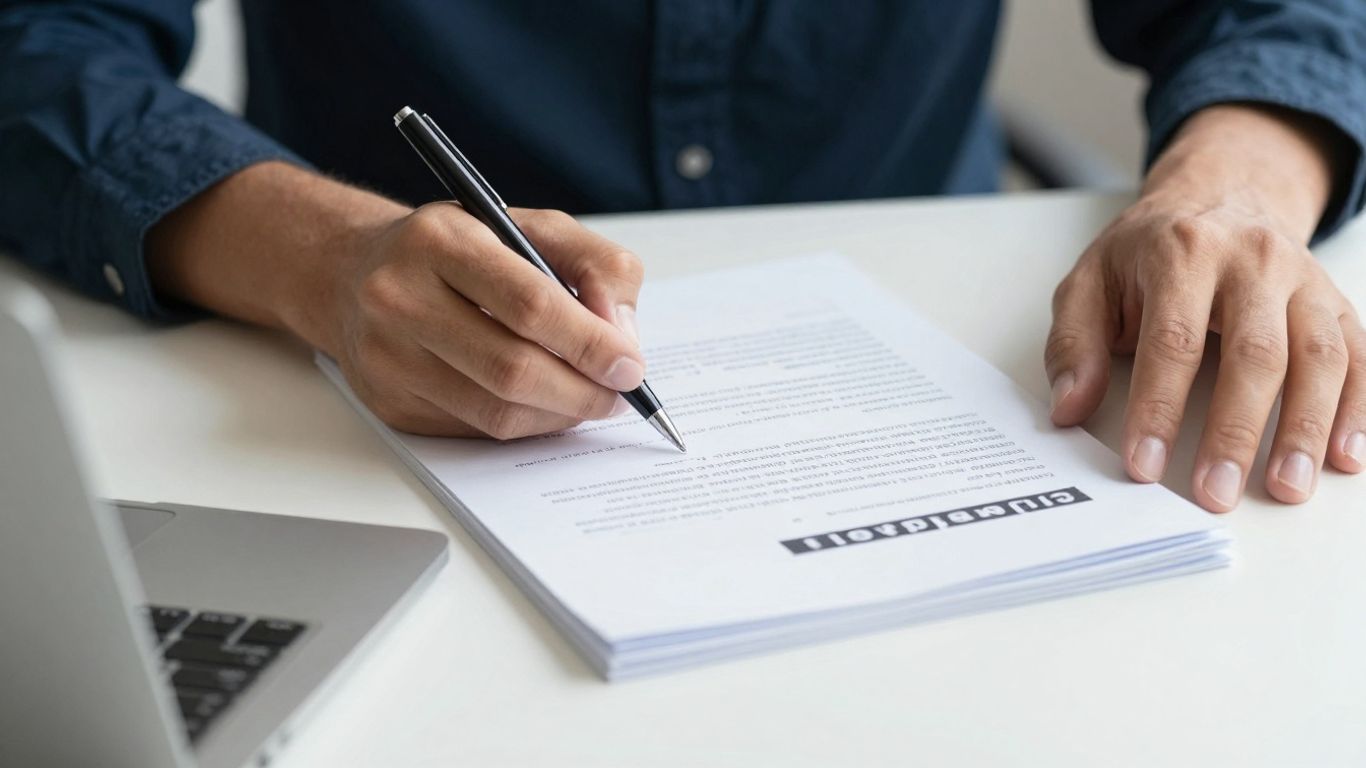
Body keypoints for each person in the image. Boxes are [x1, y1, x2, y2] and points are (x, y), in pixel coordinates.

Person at [1, 2, 1364, 514]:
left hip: (952, 348)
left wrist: (1234, 184)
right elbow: (40, 42)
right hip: (363, 413)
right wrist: (322, 256)